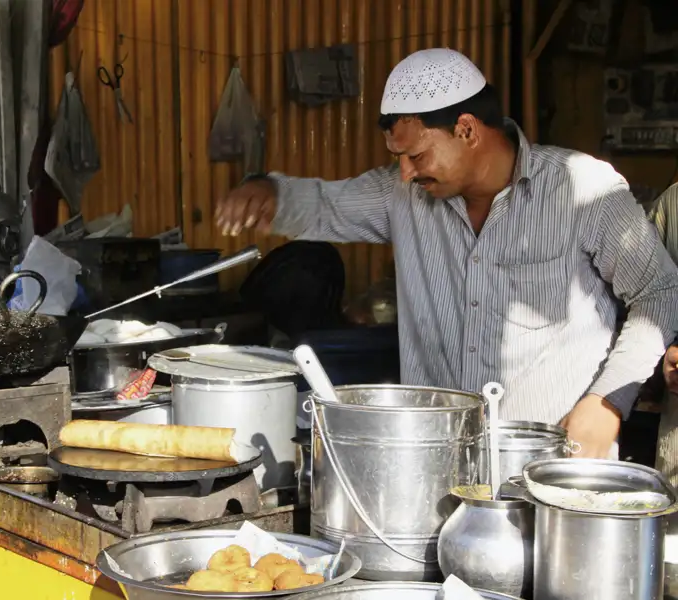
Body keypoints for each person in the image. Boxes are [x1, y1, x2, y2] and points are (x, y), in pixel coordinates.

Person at [215, 48, 678, 459]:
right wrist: (269, 192)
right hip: (436, 469)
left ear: (467, 129)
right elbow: (324, 203)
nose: (404, 173)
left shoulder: (583, 190)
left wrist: (607, 403)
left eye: (416, 155)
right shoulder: (404, 197)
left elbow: (660, 292)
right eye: (397, 157)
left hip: (557, 465)